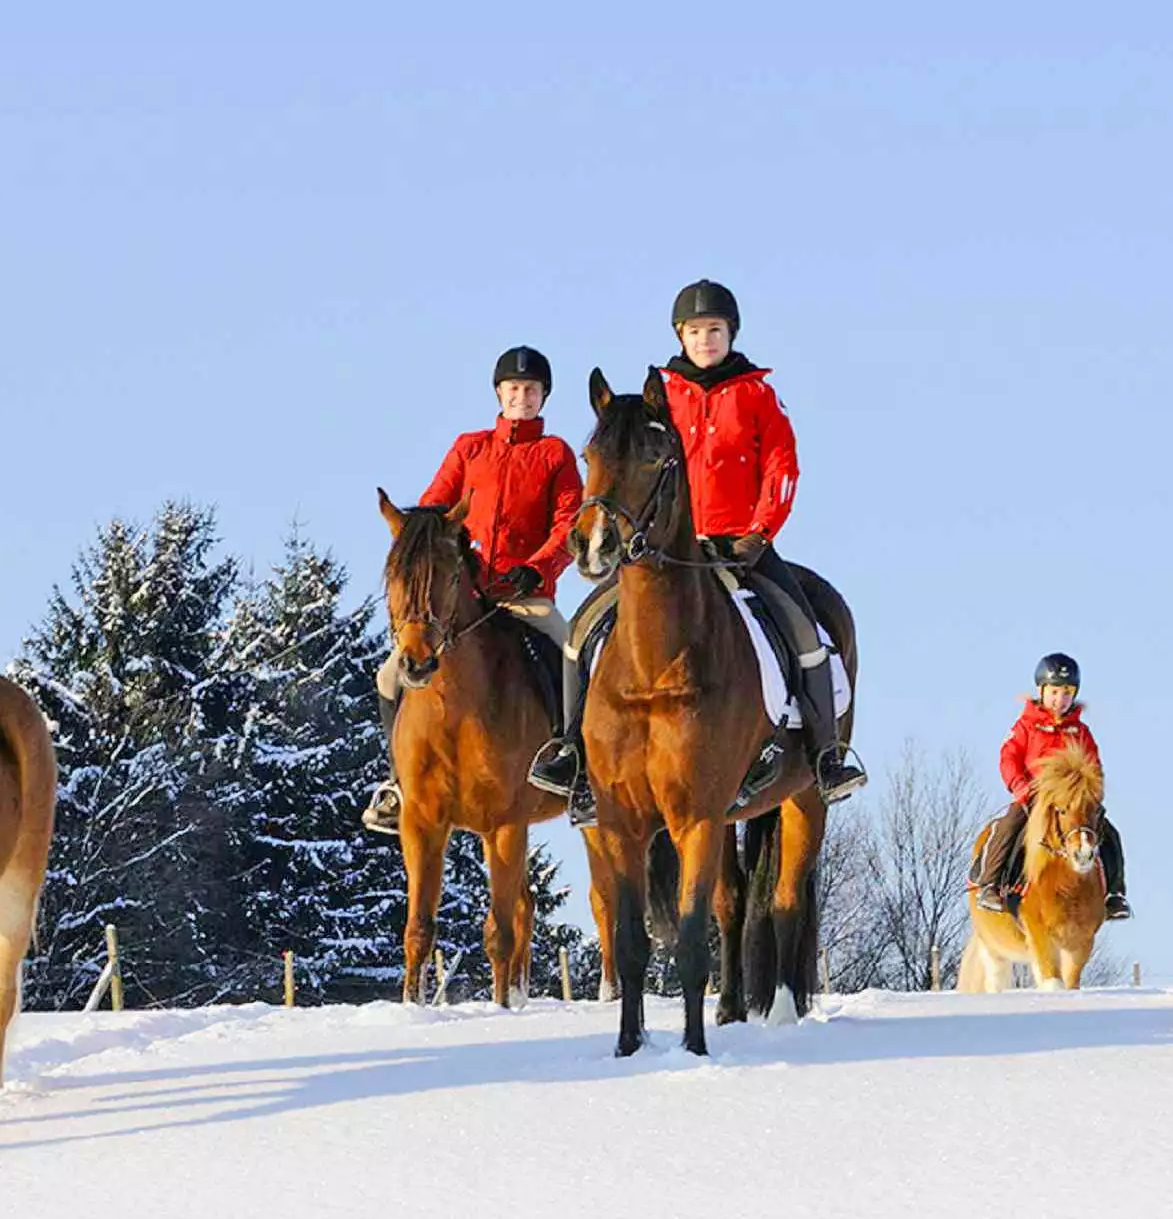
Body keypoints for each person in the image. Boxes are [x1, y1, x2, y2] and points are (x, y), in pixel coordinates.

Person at [528, 279, 865, 819]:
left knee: (804, 631)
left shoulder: (757, 394)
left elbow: (782, 465)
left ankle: (827, 754)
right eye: (694, 331)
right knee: (583, 632)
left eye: (714, 330)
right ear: (679, 336)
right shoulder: (663, 398)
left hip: (742, 545)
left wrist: (761, 530)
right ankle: (573, 755)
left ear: (731, 333)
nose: (704, 340)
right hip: (666, 548)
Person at [362, 346, 583, 833]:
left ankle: (574, 762)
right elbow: (432, 508)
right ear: (498, 395)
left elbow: (569, 522)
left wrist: (538, 566)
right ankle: (399, 781)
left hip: (525, 596)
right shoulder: (469, 447)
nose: (521, 397)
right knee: (388, 675)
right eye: (513, 389)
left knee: (571, 651)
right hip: (464, 595)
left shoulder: (556, 454)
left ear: (543, 397)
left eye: (530, 390)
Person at [971, 652, 1131, 921]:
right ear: (1042, 691)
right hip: (1034, 797)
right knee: (1009, 824)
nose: (1060, 700)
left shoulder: (1080, 732)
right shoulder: (1026, 726)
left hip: (1070, 803)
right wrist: (1019, 784)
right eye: (1055, 692)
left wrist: (1091, 792)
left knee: (1108, 832)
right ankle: (991, 883)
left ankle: (1114, 894)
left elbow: (1094, 765)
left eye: (1067, 693)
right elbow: (1008, 756)